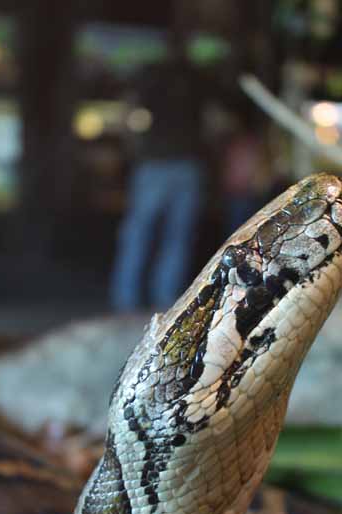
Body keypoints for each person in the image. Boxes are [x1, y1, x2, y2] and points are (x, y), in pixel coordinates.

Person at [109, 33, 205, 311]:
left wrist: (131, 144)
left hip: (163, 162)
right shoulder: (190, 77)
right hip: (178, 163)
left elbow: (127, 109)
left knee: (145, 232)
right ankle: (155, 299)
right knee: (172, 235)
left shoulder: (159, 75)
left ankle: (128, 300)